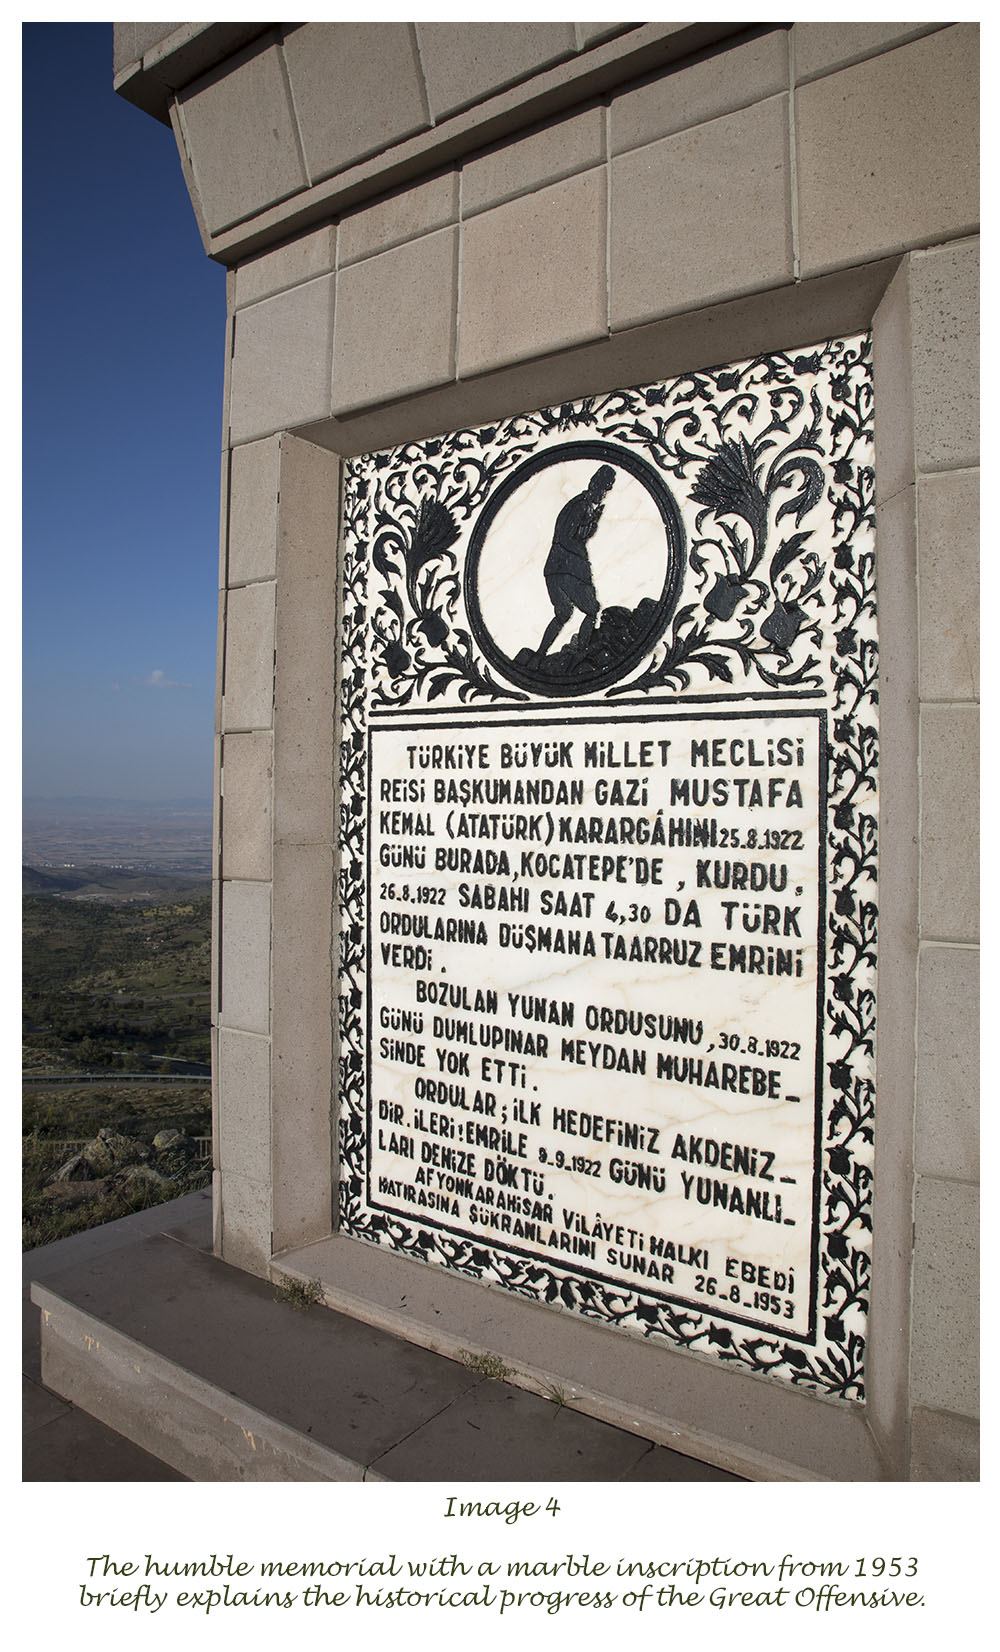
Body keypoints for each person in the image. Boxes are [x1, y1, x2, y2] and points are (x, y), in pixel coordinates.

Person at [537, 465, 615, 657]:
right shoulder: (580, 505)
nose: (604, 495)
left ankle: (539, 655)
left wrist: (591, 523)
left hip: (555, 569)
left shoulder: (582, 505)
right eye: (604, 490)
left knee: (563, 613)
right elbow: (567, 537)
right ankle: (581, 654)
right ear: (596, 486)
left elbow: (577, 535)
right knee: (592, 609)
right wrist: (582, 560)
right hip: (567, 568)